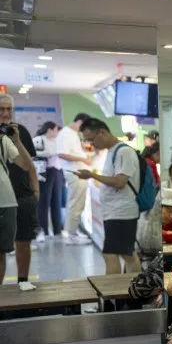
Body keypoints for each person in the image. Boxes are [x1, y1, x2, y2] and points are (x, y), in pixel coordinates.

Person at [76, 119, 141, 275]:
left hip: (122, 212)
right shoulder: (113, 151)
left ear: (102, 132)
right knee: (127, 253)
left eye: (92, 139)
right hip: (115, 211)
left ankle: (114, 295)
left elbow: (120, 182)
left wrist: (92, 175)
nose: (91, 144)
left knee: (110, 254)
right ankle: (132, 289)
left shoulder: (124, 152)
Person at [1, 95, 39, 283]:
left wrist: (36, 191)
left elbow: (29, 165)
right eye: (1, 109)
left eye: (9, 109)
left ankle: (22, 281)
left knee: (23, 242)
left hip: (22, 195)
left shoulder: (20, 131)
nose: (6, 113)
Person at [57, 112, 93, 244]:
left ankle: (73, 230)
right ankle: (70, 234)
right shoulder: (66, 134)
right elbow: (62, 154)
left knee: (78, 204)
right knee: (75, 204)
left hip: (78, 172)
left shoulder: (73, 134)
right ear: (80, 122)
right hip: (74, 172)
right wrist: (83, 159)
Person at [33, 121, 64, 243]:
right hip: (44, 172)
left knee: (57, 201)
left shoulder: (57, 141)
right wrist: (51, 153)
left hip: (57, 171)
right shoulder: (39, 139)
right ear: (49, 130)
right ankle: (43, 230)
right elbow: (34, 153)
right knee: (44, 202)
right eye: (56, 130)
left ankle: (57, 230)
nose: (57, 133)